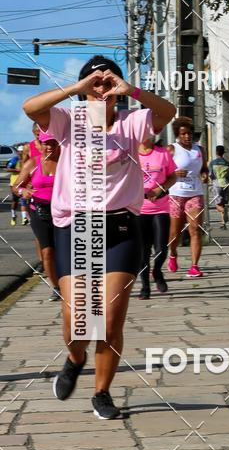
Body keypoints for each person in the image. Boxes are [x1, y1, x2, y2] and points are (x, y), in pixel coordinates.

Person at [22, 55, 176, 420]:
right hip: (76, 228)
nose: (102, 88)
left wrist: (133, 90)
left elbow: (167, 111)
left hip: (121, 228)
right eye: (95, 83)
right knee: (79, 322)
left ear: (119, 89)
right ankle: (75, 358)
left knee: (108, 320)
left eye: (109, 82)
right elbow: (30, 107)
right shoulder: (68, 121)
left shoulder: (133, 122)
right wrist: (77, 89)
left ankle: (102, 393)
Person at [11, 132, 61, 300]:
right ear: (40, 144)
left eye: (53, 144)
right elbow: (16, 186)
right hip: (40, 211)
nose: (49, 148)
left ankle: (69, 281)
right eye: (46, 144)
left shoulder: (67, 162)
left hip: (64, 212)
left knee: (65, 251)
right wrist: (22, 191)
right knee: (47, 251)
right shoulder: (33, 163)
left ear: (59, 145)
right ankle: (56, 287)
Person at [167, 116, 208, 278]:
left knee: (196, 229)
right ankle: (173, 253)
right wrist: (174, 173)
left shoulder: (200, 150)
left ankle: (194, 266)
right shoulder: (172, 149)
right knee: (175, 233)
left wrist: (205, 174)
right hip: (176, 195)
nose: (187, 136)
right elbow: (162, 172)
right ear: (177, 134)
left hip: (195, 193)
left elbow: (204, 168)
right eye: (183, 133)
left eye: (189, 133)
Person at [138, 136, 178, 299]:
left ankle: (157, 271)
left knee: (161, 248)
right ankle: (145, 286)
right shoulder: (131, 154)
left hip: (160, 208)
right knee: (143, 251)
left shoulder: (162, 153)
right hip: (138, 209)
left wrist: (159, 189)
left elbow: (173, 177)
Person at [208, 145, 229, 229]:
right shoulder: (227, 163)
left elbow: (210, 174)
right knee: (223, 203)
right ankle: (223, 224)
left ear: (216, 153)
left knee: (218, 204)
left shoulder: (212, 163)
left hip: (217, 184)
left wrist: (213, 178)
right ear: (223, 153)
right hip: (226, 184)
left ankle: (223, 211)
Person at [7, 146, 25, 226]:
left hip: (24, 183)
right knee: (15, 200)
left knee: (24, 200)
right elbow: (8, 169)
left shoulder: (27, 159)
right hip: (15, 183)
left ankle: (24, 218)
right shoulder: (14, 159)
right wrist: (18, 170)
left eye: (23, 151)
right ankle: (13, 216)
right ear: (18, 152)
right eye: (21, 151)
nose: (22, 153)